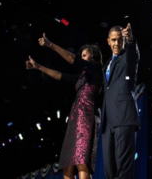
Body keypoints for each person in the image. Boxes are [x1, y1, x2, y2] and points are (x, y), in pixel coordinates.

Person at [26, 33, 103, 179]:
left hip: (86, 116)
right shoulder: (80, 77)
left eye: (85, 55)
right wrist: (38, 67)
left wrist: (50, 45)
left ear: (92, 57)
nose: (82, 58)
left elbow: (73, 59)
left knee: (82, 162)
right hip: (75, 118)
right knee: (68, 165)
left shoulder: (96, 68)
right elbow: (58, 75)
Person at [102, 24, 140, 179]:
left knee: (124, 168)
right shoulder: (106, 64)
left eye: (120, 39)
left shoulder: (128, 59)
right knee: (109, 169)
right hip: (108, 122)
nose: (117, 43)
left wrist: (130, 39)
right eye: (113, 40)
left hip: (124, 117)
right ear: (108, 41)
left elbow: (133, 53)